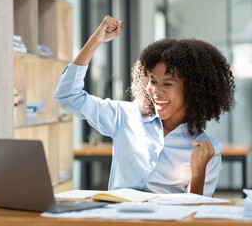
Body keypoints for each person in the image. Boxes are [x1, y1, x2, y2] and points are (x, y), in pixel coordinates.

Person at [54, 15, 235, 196]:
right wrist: (96, 40)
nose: (156, 91)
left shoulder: (207, 150)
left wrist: (198, 174)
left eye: (168, 84)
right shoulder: (125, 116)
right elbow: (67, 96)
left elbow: (194, 217)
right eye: (153, 81)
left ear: (193, 90)